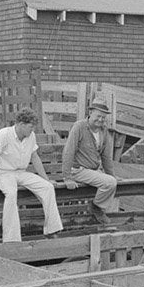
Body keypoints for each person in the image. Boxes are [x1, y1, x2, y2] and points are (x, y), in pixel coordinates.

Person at [0, 108, 63, 243]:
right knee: (11, 193)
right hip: (4, 173)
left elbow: (35, 157)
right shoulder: (4, 134)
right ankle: (11, 240)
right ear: (21, 124)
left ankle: (52, 230)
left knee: (47, 187)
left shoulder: (30, 136)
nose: (32, 130)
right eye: (30, 127)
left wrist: (46, 179)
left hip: (21, 172)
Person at [62, 95, 118, 226]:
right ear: (90, 113)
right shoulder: (79, 127)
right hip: (78, 170)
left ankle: (98, 217)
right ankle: (96, 208)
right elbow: (68, 151)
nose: (100, 119)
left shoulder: (104, 131)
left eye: (103, 117)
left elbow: (106, 157)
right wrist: (67, 177)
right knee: (110, 183)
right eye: (98, 116)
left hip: (93, 171)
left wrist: (112, 175)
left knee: (113, 182)